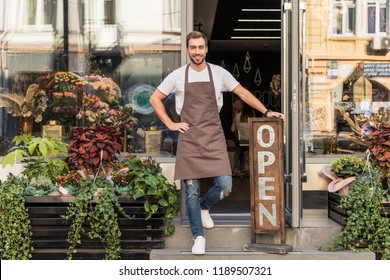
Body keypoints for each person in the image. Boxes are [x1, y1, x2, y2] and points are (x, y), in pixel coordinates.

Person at [149, 31, 284, 255]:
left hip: (213, 136)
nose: (197, 51)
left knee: (225, 184)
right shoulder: (178, 75)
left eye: (201, 47)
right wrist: (171, 124)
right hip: (190, 137)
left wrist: (267, 111)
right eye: (193, 47)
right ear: (187, 50)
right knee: (191, 191)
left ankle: (204, 207)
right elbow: (155, 99)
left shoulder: (219, 73)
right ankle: (198, 236)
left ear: (206, 49)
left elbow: (242, 92)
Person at [231, 102, 255, 174]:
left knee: (239, 149)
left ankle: (241, 167)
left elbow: (232, 129)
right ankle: (252, 167)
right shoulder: (253, 119)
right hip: (251, 142)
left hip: (240, 142)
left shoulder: (237, 116)